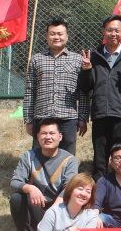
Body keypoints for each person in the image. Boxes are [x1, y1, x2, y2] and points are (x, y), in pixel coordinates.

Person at [79, 15, 121, 180]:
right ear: (103, 32)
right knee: (100, 160)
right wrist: (86, 70)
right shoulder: (94, 56)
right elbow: (85, 87)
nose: (113, 33)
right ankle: (100, 191)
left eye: (117, 30)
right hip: (100, 114)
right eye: (109, 30)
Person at [10, 120, 79, 231]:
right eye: (44, 133)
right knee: (16, 198)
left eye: (52, 133)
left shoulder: (69, 160)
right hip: (37, 203)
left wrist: (54, 208)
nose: (48, 137)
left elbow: (70, 187)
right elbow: (15, 182)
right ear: (37, 136)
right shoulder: (28, 156)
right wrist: (30, 188)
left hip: (58, 208)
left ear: (60, 136)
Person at [22, 18, 89, 155]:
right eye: (52, 34)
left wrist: (82, 117)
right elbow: (30, 91)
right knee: (40, 157)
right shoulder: (36, 59)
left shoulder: (77, 60)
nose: (56, 37)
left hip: (68, 118)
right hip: (42, 117)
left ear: (67, 36)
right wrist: (28, 120)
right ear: (46, 36)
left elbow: (83, 92)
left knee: (67, 157)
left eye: (60, 34)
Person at [33, 173, 100, 231]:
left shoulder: (91, 216)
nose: (84, 194)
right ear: (70, 190)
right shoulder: (53, 212)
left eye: (88, 191)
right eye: (80, 189)